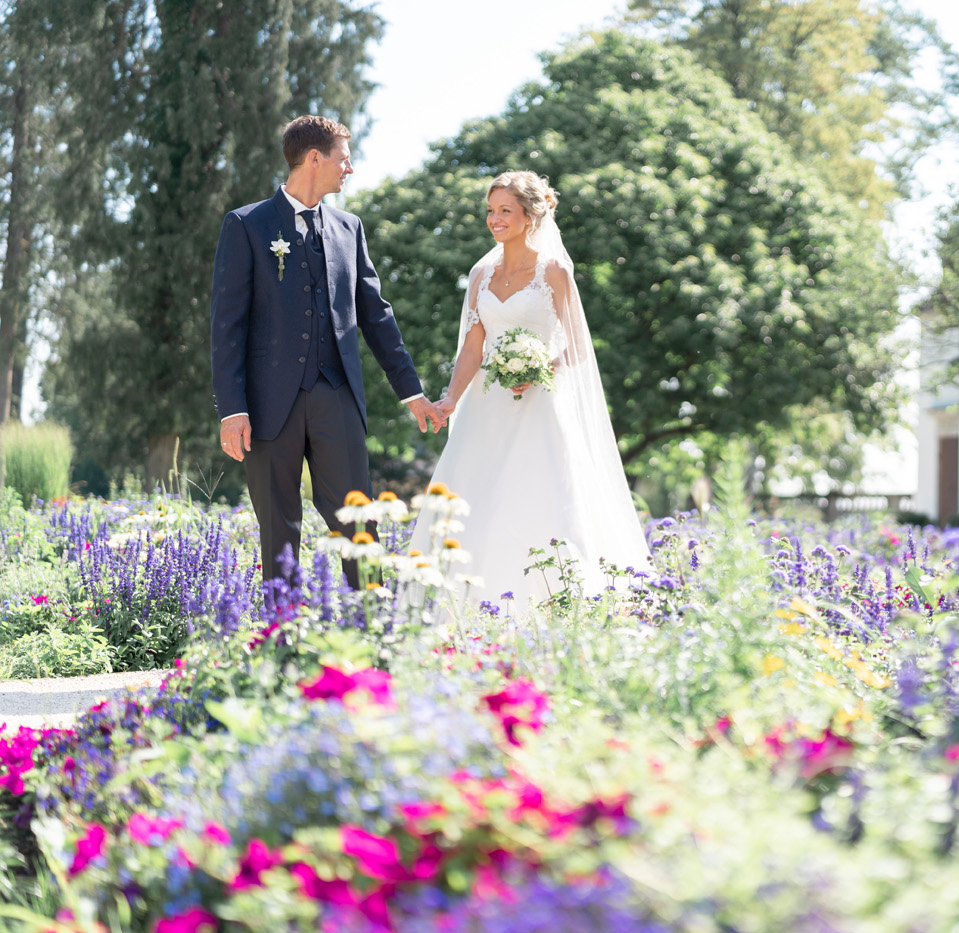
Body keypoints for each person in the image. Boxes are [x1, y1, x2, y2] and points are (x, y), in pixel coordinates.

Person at [210, 115, 445, 586]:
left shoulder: (349, 228)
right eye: (344, 159)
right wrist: (232, 410)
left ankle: (372, 617)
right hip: (267, 404)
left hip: (336, 396)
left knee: (358, 518)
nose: (349, 169)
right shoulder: (247, 225)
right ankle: (284, 627)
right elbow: (227, 326)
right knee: (278, 526)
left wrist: (412, 392)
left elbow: (376, 315)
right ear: (315, 158)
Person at [410, 170, 649, 604]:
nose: (495, 219)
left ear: (530, 215)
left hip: (541, 405)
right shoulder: (481, 274)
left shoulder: (553, 270)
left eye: (506, 210)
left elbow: (578, 345)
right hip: (486, 406)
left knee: (538, 497)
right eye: (491, 210)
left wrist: (539, 370)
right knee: (477, 499)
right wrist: (450, 399)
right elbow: (472, 348)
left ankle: (555, 602)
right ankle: (464, 603)